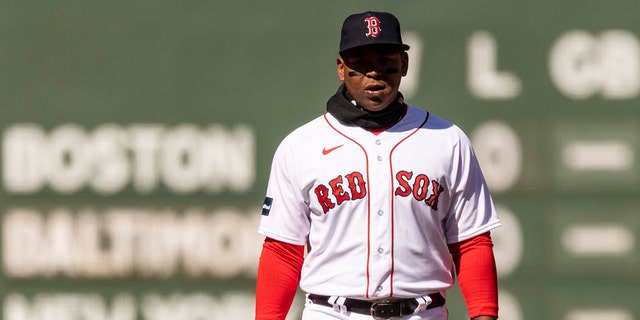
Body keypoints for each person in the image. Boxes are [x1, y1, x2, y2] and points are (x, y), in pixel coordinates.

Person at [255, 11, 501, 320]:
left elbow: (471, 241)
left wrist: (484, 315)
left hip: (422, 313)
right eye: (361, 63)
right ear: (341, 69)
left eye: (386, 61)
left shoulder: (447, 140)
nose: (375, 73)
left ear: (405, 64)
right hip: (333, 313)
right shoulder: (301, 145)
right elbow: (283, 250)